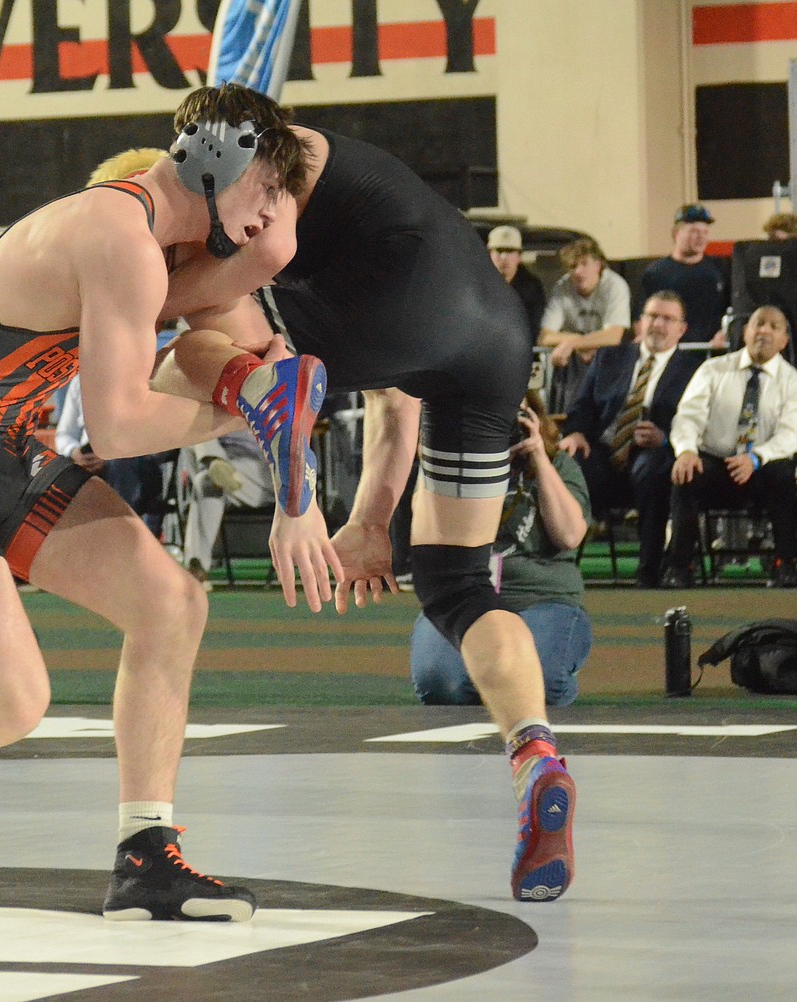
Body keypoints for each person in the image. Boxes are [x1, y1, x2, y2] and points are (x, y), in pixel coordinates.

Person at [0, 84, 310, 923]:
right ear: (220, 162)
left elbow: (243, 346)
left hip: (5, 453)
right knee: (13, 699)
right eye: (267, 190)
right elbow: (121, 426)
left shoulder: (158, 248)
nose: (273, 214)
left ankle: (145, 855)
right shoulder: (115, 232)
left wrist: (260, 374)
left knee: (172, 604)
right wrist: (248, 401)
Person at [152, 84, 577, 902]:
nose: (234, 223)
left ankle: (91, 443)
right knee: (455, 584)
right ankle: (535, 753)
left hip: (402, 301)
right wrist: (374, 517)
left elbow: (253, 260)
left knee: (193, 349)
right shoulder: (305, 168)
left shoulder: (278, 176)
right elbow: (391, 398)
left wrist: (119, 301)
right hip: (489, 340)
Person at [411, 390, 591, 705]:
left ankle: (503, 691)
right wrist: (484, 463)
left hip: (541, 597)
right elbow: (429, 528)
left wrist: (538, 456)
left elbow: (570, 535)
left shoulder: (557, 464)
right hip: (462, 597)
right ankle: (499, 693)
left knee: (543, 686)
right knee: (439, 685)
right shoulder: (454, 464)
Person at [558, 291, 703, 588]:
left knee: (653, 470)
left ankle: (648, 571)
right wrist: (575, 432)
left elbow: (697, 419)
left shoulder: (695, 368)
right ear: (640, 323)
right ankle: (557, 566)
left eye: (667, 318)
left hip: (654, 453)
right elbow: (581, 405)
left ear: (681, 329)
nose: (658, 324)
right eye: (652, 316)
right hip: (603, 448)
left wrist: (664, 439)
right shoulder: (611, 356)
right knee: (571, 465)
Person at [662, 305, 797, 588]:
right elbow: (688, 416)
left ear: (785, 340)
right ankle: (680, 566)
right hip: (716, 461)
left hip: (763, 465)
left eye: (774, 327)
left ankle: (785, 563)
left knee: (784, 476)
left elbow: (790, 434)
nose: (764, 331)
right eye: (758, 324)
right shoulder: (713, 369)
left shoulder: (791, 380)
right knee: (685, 472)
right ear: (745, 332)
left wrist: (756, 458)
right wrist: (686, 450)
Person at [54, 372, 173, 538]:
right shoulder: (80, 382)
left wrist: (112, 452)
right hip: (87, 458)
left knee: (121, 464)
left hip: (132, 460)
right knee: (59, 469)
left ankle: (119, 535)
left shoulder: (143, 380)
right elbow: (64, 435)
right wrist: (75, 452)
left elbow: (155, 438)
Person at [537, 237, 631, 414]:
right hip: (573, 367)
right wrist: (582, 343)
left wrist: (571, 343)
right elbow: (545, 336)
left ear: (598, 264)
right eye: (572, 266)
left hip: (608, 364)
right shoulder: (562, 288)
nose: (578, 271)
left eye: (584, 264)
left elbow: (613, 336)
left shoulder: (615, 286)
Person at [182, 429, 276, 589]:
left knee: (206, 479)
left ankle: (196, 568)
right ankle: (212, 461)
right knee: (191, 426)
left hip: (260, 469)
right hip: (221, 461)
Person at [638, 203, 729, 347]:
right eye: (694, 231)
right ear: (676, 234)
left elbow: (731, 311)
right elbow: (640, 319)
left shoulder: (720, 270)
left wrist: (725, 334)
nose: (701, 237)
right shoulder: (655, 273)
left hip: (711, 350)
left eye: (705, 232)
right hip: (669, 350)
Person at [487, 225, 546, 344]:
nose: (504, 257)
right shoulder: (477, 283)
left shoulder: (532, 287)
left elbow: (534, 328)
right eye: (498, 251)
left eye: (510, 251)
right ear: (489, 255)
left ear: (519, 256)